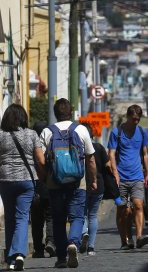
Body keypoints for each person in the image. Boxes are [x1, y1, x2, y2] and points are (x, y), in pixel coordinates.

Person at [40, 98, 97, 268]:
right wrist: (92, 180)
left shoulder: (47, 132)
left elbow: (41, 161)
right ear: (71, 112)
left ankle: (62, 258)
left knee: (58, 220)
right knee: (77, 216)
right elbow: (90, 159)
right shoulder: (81, 129)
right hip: (77, 181)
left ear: (55, 113)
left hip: (54, 182)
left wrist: (44, 179)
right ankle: (73, 242)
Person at [0, 104, 46, 271]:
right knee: (22, 217)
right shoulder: (32, 134)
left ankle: (11, 259)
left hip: (5, 180)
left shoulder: (1, 135)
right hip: (27, 180)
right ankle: (19, 253)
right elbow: (40, 160)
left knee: (10, 218)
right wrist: (44, 178)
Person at [108, 105, 148, 250]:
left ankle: (139, 237)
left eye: (138, 119)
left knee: (138, 205)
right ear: (128, 117)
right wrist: (115, 174)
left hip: (137, 176)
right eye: (134, 119)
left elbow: (145, 153)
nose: (136, 122)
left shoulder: (141, 131)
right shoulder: (116, 132)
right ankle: (125, 240)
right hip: (121, 177)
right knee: (124, 210)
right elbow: (112, 154)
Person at [79, 123, 110, 256]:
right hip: (98, 184)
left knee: (81, 215)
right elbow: (108, 166)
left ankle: (83, 234)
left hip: (82, 185)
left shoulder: (78, 148)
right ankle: (91, 247)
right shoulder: (99, 147)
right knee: (93, 215)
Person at [31, 121, 56, 258]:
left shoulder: (29, 146)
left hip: (34, 189)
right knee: (51, 216)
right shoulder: (51, 145)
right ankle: (51, 242)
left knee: (36, 220)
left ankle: (38, 249)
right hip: (50, 186)